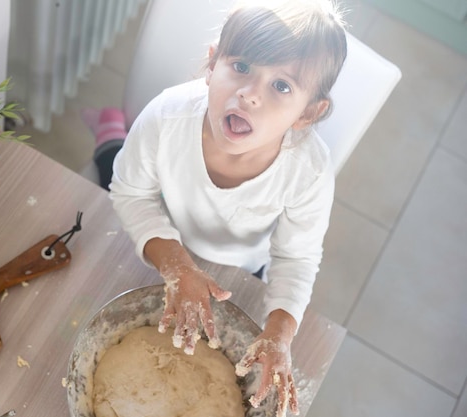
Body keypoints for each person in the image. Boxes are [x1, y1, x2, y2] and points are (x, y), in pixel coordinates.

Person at [83, 0, 347, 414]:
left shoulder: (308, 172)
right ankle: (111, 130)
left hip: (242, 264)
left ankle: (112, 131)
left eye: (281, 86)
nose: (250, 94)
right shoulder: (166, 118)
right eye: (241, 67)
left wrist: (278, 331)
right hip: (163, 237)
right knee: (111, 165)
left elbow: (296, 256)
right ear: (211, 64)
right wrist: (176, 264)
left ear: (308, 113)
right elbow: (131, 193)